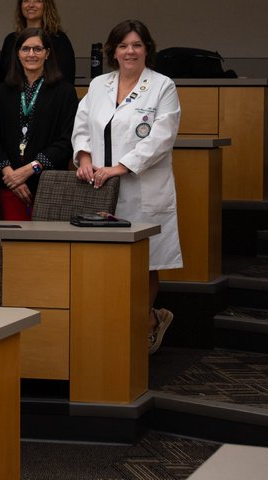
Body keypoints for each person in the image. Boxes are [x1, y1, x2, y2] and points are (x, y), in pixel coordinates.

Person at [73, 19, 182, 355]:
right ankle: (118, 324)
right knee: (106, 263)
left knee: (144, 261)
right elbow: (82, 126)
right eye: (123, 46)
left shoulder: (163, 86)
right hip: (100, 187)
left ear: (147, 49)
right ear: (113, 51)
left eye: (137, 45)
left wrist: (119, 168)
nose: (130, 51)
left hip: (142, 186)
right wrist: (85, 157)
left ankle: (145, 322)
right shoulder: (98, 85)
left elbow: (161, 139)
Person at [0, 28, 79, 220]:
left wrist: (30, 169)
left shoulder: (65, 92)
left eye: (37, 49)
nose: (31, 54)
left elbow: (67, 141)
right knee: (16, 246)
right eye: (25, 49)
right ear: (17, 54)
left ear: (47, 53)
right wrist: (11, 175)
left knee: (47, 247)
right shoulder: (3, 91)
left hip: (48, 184)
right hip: (10, 184)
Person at [0, 0, 76, 84]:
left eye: (37, 1)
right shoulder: (11, 40)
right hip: (15, 97)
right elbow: (3, 79)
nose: (31, 5)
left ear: (46, 6)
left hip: (50, 98)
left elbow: (67, 79)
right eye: (26, 1)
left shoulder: (59, 39)